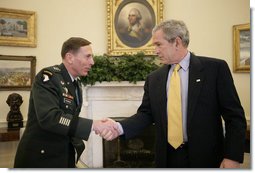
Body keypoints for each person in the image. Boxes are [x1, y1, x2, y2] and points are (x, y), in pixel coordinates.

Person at [101, 20, 247, 168]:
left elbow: (234, 117)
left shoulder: (215, 69)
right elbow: (146, 114)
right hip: (167, 159)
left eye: (158, 44)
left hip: (206, 158)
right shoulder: (154, 78)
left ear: (177, 42)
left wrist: (232, 157)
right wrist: (119, 127)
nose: (155, 51)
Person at [14, 37, 118, 168]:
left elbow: (69, 119)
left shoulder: (75, 83)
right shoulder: (48, 77)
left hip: (62, 155)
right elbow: (50, 118)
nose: (92, 62)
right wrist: (93, 125)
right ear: (70, 57)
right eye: (88, 56)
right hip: (41, 159)